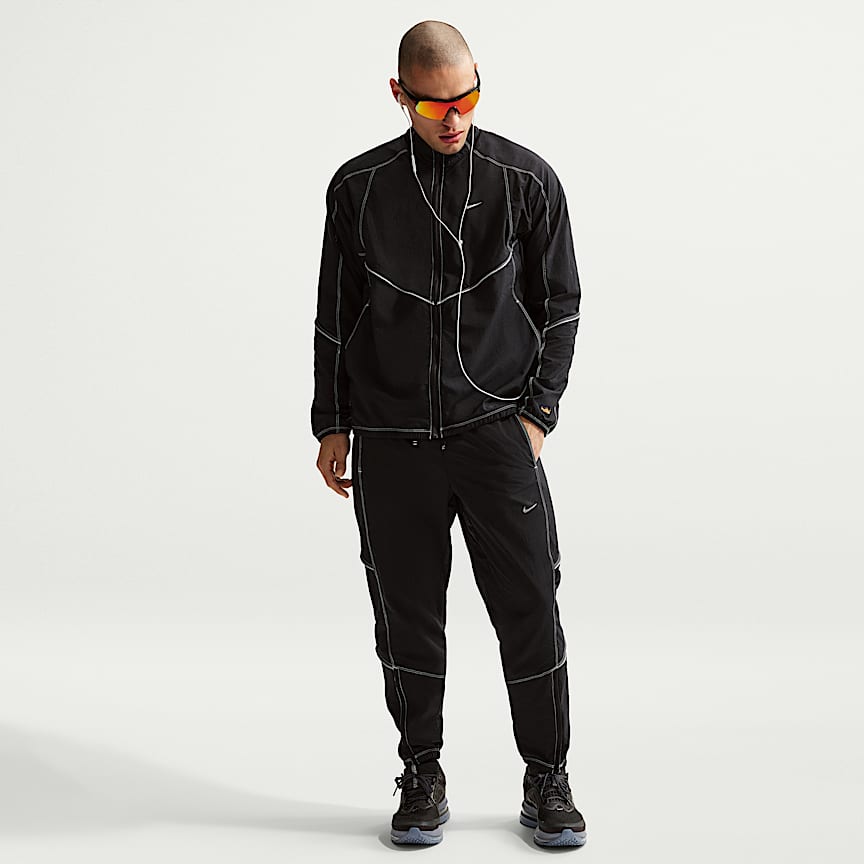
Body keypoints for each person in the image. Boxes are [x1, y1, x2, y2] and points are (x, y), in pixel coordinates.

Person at [311, 20, 587, 848]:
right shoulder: (357, 188)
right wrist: (331, 421)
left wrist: (536, 416)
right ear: (400, 95)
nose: (454, 117)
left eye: (467, 97)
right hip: (391, 438)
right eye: (435, 103)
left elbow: (561, 303)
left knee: (530, 605)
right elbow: (335, 313)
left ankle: (548, 776)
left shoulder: (525, 179)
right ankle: (421, 772)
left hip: (497, 433)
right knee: (405, 617)